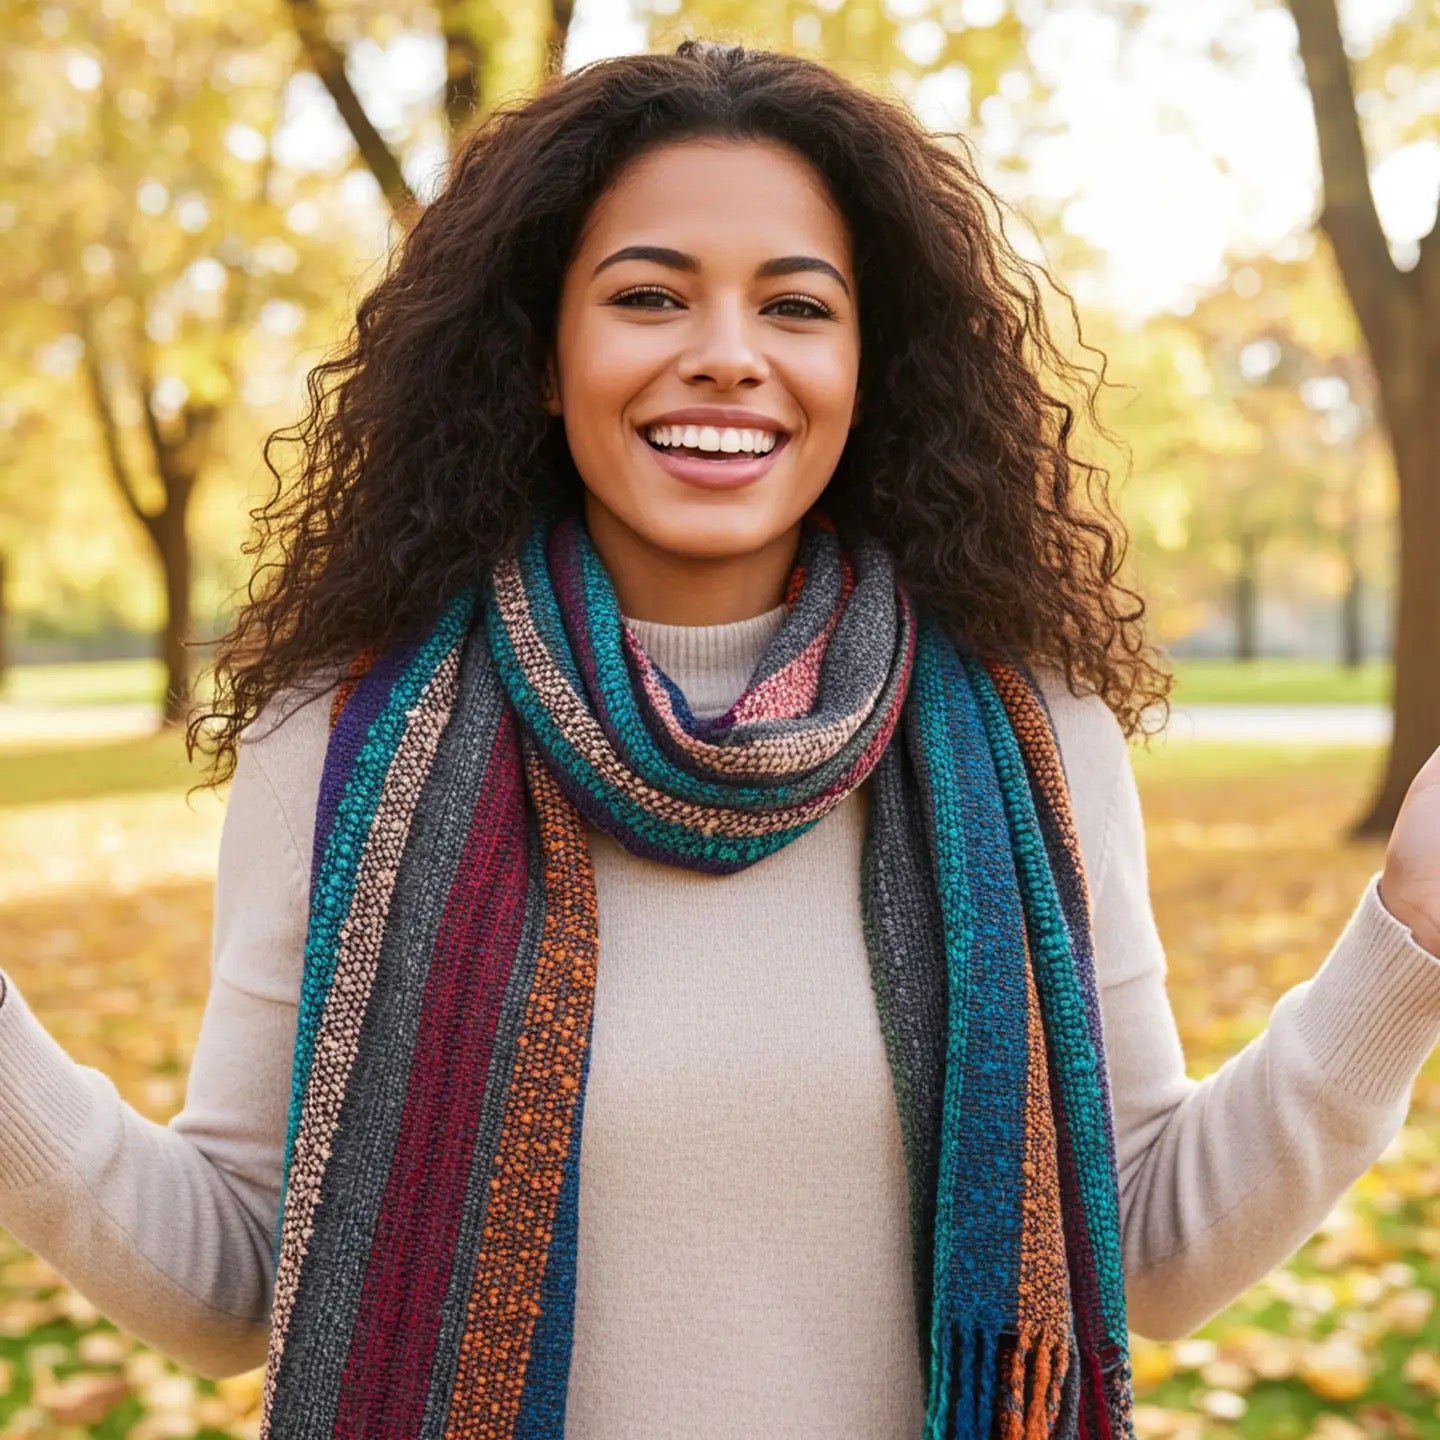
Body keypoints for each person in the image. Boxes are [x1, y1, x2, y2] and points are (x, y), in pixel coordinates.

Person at [2, 39, 1439, 1440]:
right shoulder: (340, 736)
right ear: (542, 357)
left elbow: (1152, 1250)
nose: (728, 357)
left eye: (799, 307)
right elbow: (238, 1278)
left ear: (874, 366)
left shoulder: (1030, 728)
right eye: (649, 297)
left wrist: (1411, 941)